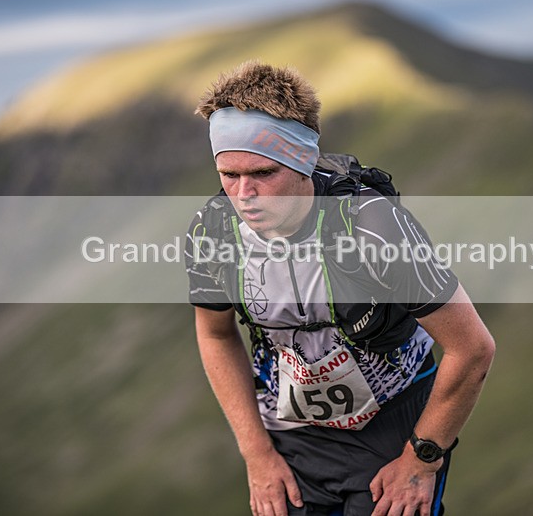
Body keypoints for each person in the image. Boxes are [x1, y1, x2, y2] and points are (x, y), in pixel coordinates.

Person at [185, 60, 495, 516]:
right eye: (228, 174)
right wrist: (257, 454)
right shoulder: (212, 231)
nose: (243, 194)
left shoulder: (372, 227)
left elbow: (472, 349)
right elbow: (215, 333)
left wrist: (421, 460)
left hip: (393, 423)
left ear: (303, 160)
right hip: (290, 432)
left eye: (264, 173)